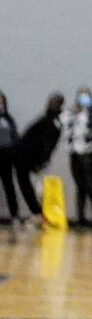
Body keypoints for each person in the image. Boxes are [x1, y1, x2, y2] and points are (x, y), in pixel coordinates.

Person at [12, 92, 64, 221]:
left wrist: (42, 161)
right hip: (24, 156)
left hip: (33, 158)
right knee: (27, 185)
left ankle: (41, 213)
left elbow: (49, 145)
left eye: (54, 102)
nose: (51, 104)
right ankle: (38, 212)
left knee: (37, 187)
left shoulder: (54, 122)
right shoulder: (45, 119)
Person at [63, 86, 92, 227]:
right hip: (75, 153)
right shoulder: (71, 112)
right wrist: (73, 114)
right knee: (80, 186)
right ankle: (80, 218)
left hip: (90, 153)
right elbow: (65, 129)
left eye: (86, 96)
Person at [0, 92, 22, 224]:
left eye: (1, 102)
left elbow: (15, 137)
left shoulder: (8, 119)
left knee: (9, 185)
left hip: (6, 155)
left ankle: (15, 215)